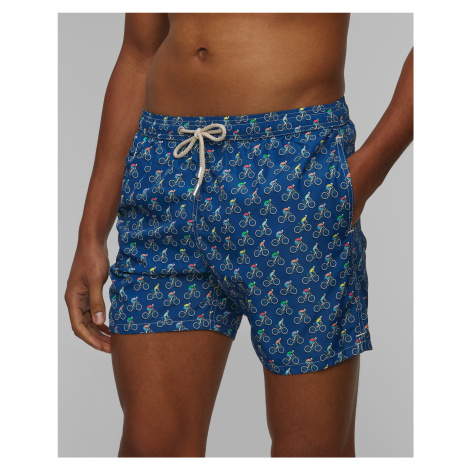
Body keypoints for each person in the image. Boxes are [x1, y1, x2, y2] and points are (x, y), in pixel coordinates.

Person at [65, 13, 413, 457]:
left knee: (311, 452)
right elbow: (139, 53)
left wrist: (360, 178)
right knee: (152, 448)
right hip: (165, 169)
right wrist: (91, 232)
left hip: (293, 170)